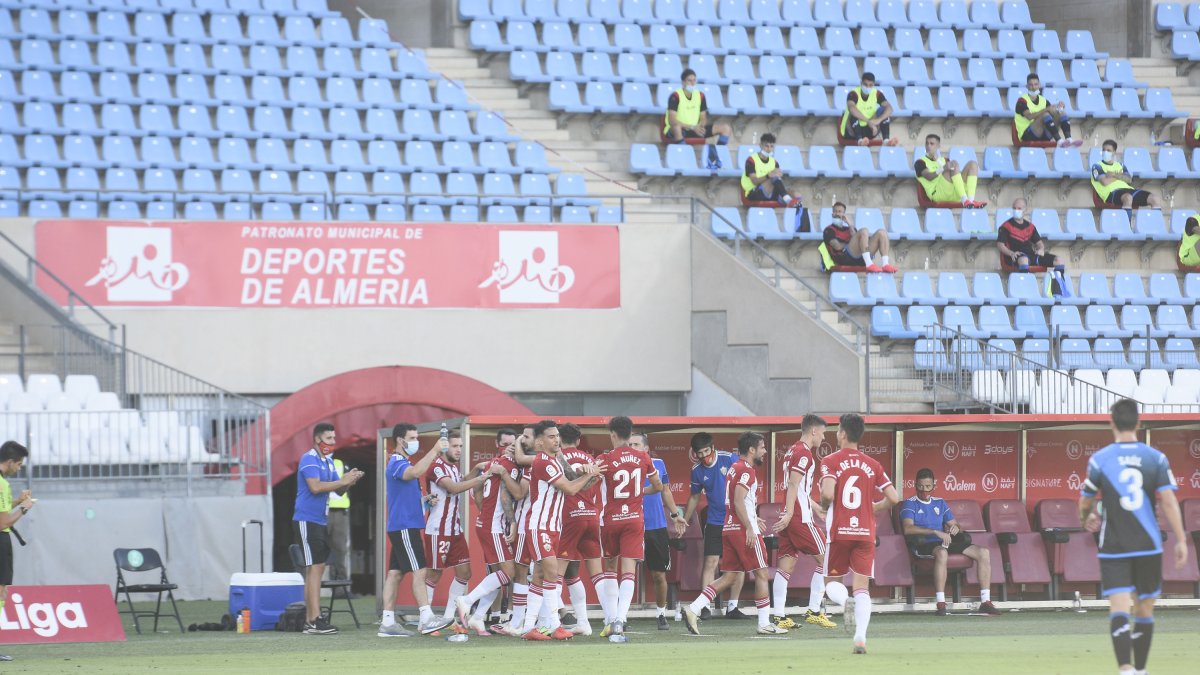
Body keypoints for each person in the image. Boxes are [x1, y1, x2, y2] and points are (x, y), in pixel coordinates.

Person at [1079, 399, 1188, 675]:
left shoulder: (1100, 459)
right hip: (1148, 545)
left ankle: (1125, 669)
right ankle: (1140, 669)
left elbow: (1085, 501)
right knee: (1144, 608)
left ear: (1111, 422)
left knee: (1119, 607)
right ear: (1139, 423)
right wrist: (1181, 539)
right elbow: (1169, 501)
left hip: (1114, 545)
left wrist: (1086, 517)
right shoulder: (1156, 458)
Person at [681, 431, 785, 636]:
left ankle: (693, 608)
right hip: (741, 530)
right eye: (762, 447)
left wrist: (752, 519)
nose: (765, 451)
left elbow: (738, 501)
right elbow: (738, 500)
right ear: (752, 449)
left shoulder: (733, 467)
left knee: (729, 577)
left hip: (728, 527)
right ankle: (764, 623)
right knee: (762, 573)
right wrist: (749, 525)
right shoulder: (746, 470)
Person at [818, 413, 900, 655]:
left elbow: (829, 494)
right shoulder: (873, 464)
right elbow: (894, 498)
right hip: (865, 532)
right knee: (862, 587)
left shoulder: (830, 461)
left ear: (843, 433)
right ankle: (860, 639)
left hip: (840, 531)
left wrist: (823, 507)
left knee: (831, 583)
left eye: (837, 430)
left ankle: (846, 604)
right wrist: (874, 507)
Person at [517, 420, 600, 641]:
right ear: (540, 442)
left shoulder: (555, 459)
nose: (557, 440)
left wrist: (591, 474)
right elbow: (571, 489)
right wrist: (587, 474)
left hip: (553, 526)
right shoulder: (544, 462)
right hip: (540, 525)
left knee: (540, 575)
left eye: (557, 436)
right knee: (552, 573)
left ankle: (528, 628)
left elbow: (575, 480)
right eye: (551, 436)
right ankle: (554, 625)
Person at [594, 417, 672, 639]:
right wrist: (640, 492)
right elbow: (658, 486)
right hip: (634, 520)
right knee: (628, 571)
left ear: (613, 434)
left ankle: (611, 619)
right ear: (630, 434)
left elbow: (589, 481)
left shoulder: (605, 459)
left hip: (610, 520)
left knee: (610, 568)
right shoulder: (643, 457)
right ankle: (619, 621)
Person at [378, 423, 452, 637]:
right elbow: (415, 472)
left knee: (395, 574)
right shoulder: (397, 461)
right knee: (420, 570)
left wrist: (425, 502)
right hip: (405, 526)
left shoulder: (402, 462)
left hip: (402, 524)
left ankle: (388, 623)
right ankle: (427, 617)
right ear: (400, 440)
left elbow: (405, 496)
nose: (415, 441)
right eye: (412, 438)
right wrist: (436, 449)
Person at [293, 423, 363, 635]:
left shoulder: (329, 461)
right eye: (329, 438)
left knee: (317, 568)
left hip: (319, 521)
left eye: (334, 438)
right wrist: (342, 481)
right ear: (317, 439)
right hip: (306, 519)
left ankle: (313, 620)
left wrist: (349, 481)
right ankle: (313, 620)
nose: (332, 442)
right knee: (314, 569)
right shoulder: (309, 458)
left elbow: (339, 491)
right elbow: (315, 487)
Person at [901, 468, 1001, 616]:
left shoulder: (940, 503)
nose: (924, 490)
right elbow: (908, 529)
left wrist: (955, 528)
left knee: (983, 552)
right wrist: (934, 531)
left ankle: (985, 602)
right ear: (915, 485)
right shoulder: (909, 504)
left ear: (934, 486)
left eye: (928, 486)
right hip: (924, 543)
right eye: (921, 486)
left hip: (944, 541)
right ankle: (941, 603)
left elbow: (956, 525)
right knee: (942, 553)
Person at [456, 429, 526, 636]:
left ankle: (478, 619)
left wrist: (483, 510)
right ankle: (466, 601)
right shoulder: (509, 466)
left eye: (514, 443)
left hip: (487, 523)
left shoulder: (493, 462)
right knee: (509, 573)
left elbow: (477, 486)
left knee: (499, 575)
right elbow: (505, 496)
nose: (511, 447)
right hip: (494, 526)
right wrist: (511, 521)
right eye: (509, 444)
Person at [770, 414, 837, 629]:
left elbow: (797, 488)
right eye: (823, 433)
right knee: (827, 559)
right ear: (813, 431)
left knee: (786, 565)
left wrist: (816, 507)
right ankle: (814, 610)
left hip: (792, 514)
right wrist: (791, 513)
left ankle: (779, 617)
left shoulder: (792, 451)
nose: (824, 438)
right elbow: (793, 484)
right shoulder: (804, 454)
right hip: (799, 517)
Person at [423, 429, 488, 627]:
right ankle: (425, 619)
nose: (459, 450)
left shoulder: (452, 467)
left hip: (455, 530)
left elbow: (459, 482)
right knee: (434, 574)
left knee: (464, 573)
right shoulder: (436, 467)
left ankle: (448, 617)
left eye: (460, 446)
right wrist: (482, 478)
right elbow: (453, 488)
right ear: (444, 447)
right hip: (438, 530)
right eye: (454, 446)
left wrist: (476, 469)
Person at [681, 432, 747, 620]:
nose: (704, 456)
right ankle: (705, 606)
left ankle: (732, 607)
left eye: (706, 451)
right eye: (699, 453)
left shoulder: (730, 459)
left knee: (738, 565)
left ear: (713, 447)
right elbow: (694, 496)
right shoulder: (697, 470)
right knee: (710, 563)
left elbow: (745, 485)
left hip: (735, 521)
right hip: (715, 522)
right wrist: (685, 519)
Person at [555, 423, 606, 636]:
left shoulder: (556, 458)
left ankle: (548, 621)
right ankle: (612, 619)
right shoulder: (590, 460)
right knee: (595, 574)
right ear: (578, 440)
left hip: (568, 518)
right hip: (591, 517)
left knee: (554, 573)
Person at [636, 431, 687, 631]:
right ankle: (617, 617)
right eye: (629, 443)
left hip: (656, 526)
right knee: (625, 573)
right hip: (631, 524)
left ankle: (661, 614)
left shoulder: (658, 463)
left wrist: (675, 515)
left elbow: (665, 490)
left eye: (636, 444)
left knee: (659, 574)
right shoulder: (621, 464)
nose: (631, 447)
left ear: (646, 448)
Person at [0, 441, 32, 663]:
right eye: (19, 464)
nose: (19, 468)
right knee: (1, 593)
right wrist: (24, 508)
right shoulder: (2, 484)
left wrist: (16, 501)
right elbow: (2, 522)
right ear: (9, 462)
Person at [664, 68, 732, 163]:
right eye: (689, 80)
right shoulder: (675, 96)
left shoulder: (700, 95)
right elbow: (672, 121)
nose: (692, 83)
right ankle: (684, 158)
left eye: (694, 80)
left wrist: (701, 125)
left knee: (725, 128)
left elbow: (703, 116)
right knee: (676, 127)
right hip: (679, 129)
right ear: (683, 82)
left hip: (695, 128)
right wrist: (692, 127)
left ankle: (716, 156)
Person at [1091, 139, 1160, 219]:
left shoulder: (1121, 165)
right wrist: (1120, 176)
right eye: (1104, 150)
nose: (1105, 152)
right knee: (1128, 198)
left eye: (1109, 150)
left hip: (1127, 189)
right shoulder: (1097, 166)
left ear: (1114, 153)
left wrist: (1114, 175)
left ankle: (1156, 227)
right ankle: (1127, 228)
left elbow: (1129, 179)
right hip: (1111, 193)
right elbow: (1104, 182)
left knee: (1155, 198)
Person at [820, 201, 896, 273]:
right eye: (835, 211)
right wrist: (850, 244)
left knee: (882, 232)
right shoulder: (829, 230)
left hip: (860, 256)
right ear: (832, 214)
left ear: (844, 214)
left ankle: (885, 264)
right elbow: (837, 246)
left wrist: (849, 223)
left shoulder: (849, 229)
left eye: (840, 212)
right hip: (844, 258)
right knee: (864, 231)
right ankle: (869, 264)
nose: (837, 213)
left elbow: (856, 238)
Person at [916, 133, 986, 208]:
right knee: (953, 164)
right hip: (938, 194)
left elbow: (954, 175)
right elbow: (929, 176)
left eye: (932, 144)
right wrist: (943, 168)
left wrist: (938, 161)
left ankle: (971, 200)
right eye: (927, 143)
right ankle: (965, 200)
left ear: (938, 146)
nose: (928, 146)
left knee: (973, 164)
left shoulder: (944, 160)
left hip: (955, 192)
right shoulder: (920, 162)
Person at [1014, 73, 1080, 147]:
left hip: (1042, 134)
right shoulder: (1022, 101)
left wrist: (1060, 107)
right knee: (1045, 114)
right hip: (1027, 135)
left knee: (1061, 113)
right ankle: (1059, 141)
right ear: (1027, 86)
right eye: (1031, 85)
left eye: (1036, 84)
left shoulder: (1043, 100)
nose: (1033, 87)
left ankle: (1069, 139)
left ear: (1039, 85)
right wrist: (1046, 110)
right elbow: (1029, 116)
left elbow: (1052, 111)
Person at [741, 132, 802, 207]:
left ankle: (787, 200)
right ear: (760, 145)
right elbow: (754, 181)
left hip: (770, 192)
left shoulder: (774, 162)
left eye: (771, 146)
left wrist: (778, 176)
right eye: (766, 146)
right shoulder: (751, 160)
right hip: (754, 193)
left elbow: (778, 182)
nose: (769, 149)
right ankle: (786, 199)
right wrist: (768, 176)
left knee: (796, 194)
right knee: (773, 176)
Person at [997, 198, 1059, 270]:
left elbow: (1039, 243)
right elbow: (1000, 245)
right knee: (1024, 260)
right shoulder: (1006, 226)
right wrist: (1011, 253)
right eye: (1014, 208)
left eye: (1019, 208)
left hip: (1031, 255)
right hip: (1015, 256)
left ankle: (1058, 281)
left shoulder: (1030, 226)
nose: (1016, 210)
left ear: (1025, 210)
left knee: (1058, 260)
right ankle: (1025, 281)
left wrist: (1041, 249)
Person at [840, 71, 897, 146]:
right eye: (865, 84)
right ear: (861, 83)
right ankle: (860, 141)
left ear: (873, 85)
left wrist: (878, 120)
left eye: (870, 85)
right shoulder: (853, 94)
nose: (867, 87)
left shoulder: (877, 93)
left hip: (869, 129)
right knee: (853, 113)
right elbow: (851, 108)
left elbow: (890, 108)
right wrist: (868, 121)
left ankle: (886, 141)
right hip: (852, 130)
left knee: (884, 111)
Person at [325, 457, 351, 582]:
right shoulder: (314, 463)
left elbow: (348, 485)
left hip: (339, 512)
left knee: (340, 549)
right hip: (321, 511)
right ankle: (309, 588)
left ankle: (340, 587)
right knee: (315, 549)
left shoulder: (341, 463)